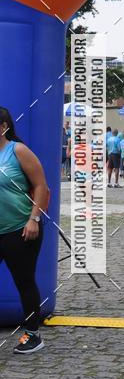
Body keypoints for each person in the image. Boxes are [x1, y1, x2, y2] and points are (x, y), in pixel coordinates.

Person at [0, 107, 50, 354]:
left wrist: (34, 219)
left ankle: (33, 334)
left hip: (20, 229)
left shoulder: (16, 151)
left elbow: (41, 186)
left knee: (24, 282)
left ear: (3, 127)